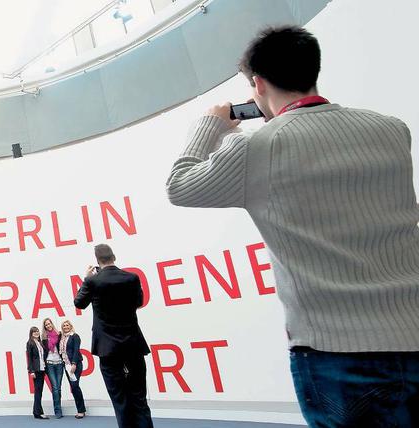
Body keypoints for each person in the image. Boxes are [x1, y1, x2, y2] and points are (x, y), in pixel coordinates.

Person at [165, 25, 419, 427]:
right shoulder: (391, 128)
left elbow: (180, 185)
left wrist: (211, 126)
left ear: (258, 83)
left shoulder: (255, 147)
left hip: (334, 352)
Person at [74, 244, 152, 428]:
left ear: (97, 260)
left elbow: (79, 303)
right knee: (139, 398)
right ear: (114, 257)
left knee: (120, 400)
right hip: (133, 344)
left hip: (107, 348)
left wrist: (87, 279)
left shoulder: (93, 281)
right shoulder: (132, 278)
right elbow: (139, 302)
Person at [59, 319, 87, 418]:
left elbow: (76, 350)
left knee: (75, 386)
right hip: (66, 365)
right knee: (73, 388)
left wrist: (74, 363)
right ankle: (81, 409)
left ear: (70, 326)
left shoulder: (75, 336)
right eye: (64, 326)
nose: (65, 327)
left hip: (75, 365)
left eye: (67, 325)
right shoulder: (62, 338)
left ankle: (81, 410)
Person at [41, 317, 64, 418]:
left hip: (59, 363)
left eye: (49, 324)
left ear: (52, 324)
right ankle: (58, 411)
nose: (48, 326)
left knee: (58, 388)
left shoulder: (59, 334)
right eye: (46, 325)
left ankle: (58, 407)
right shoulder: (44, 338)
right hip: (49, 364)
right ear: (45, 327)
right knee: (55, 388)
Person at [25, 326, 50, 420]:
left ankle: (36, 412)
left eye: (37, 331)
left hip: (42, 369)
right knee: (38, 391)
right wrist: (31, 371)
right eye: (34, 332)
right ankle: (39, 412)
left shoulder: (40, 343)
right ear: (31, 333)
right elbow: (29, 358)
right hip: (36, 370)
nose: (36, 333)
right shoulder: (30, 343)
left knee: (39, 391)